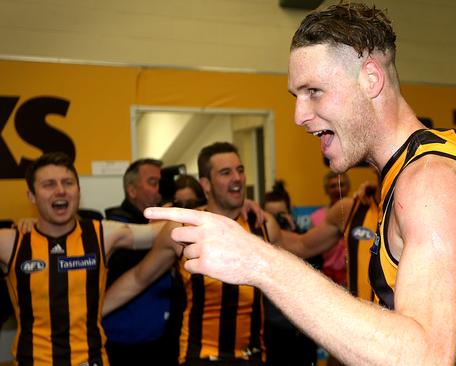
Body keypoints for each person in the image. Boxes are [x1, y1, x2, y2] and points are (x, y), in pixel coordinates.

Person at [145, 3, 456, 365]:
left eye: (314, 91)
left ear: (371, 79)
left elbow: (425, 358)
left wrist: (260, 262)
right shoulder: (418, 165)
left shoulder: (429, 182)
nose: (299, 115)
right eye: (296, 96)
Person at [103, 142, 274, 366]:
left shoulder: (259, 223)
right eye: (226, 172)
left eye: (240, 170)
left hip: (253, 357)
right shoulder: (182, 228)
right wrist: (90, 312)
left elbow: (306, 246)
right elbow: (139, 278)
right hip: (200, 357)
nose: (237, 178)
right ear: (206, 184)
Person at [0, 152, 162, 365]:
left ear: (78, 190)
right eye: (49, 184)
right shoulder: (11, 241)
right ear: (32, 196)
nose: (60, 190)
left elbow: (162, 233)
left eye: (68, 183)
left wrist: (198, 214)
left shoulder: (102, 234)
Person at [102, 158, 177, 365]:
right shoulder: (114, 227)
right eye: (153, 182)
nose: (159, 190)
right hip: (123, 344)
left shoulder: (166, 220)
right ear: (132, 191)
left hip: (161, 340)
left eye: (160, 182)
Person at [262, 181, 319, 366]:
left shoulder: (302, 239)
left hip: (301, 331)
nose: (276, 221)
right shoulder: (258, 244)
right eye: (271, 216)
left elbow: (317, 266)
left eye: (281, 214)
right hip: (271, 332)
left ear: (290, 212)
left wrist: (293, 231)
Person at [309, 171, 350, 285]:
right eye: (333, 186)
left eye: (341, 185)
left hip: (351, 276)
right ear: (326, 190)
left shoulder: (359, 214)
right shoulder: (316, 217)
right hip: (325, 278)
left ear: (348, 187)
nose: (338, 189)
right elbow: (311, 250)